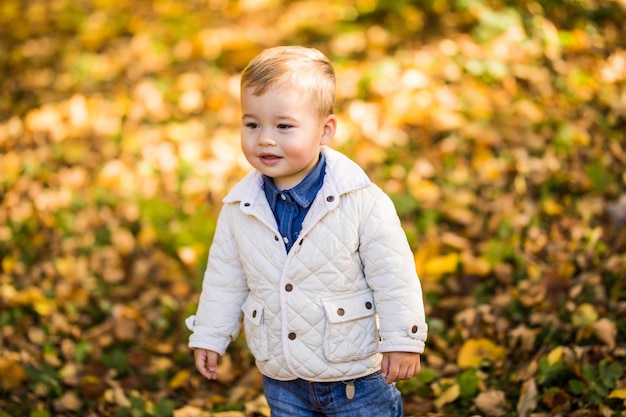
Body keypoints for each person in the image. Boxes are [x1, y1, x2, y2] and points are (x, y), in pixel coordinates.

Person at [187, 45, 428, 417]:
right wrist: (209, 335)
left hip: (355, 377)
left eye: (283, 126)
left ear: (325, 130)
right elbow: (225, 278)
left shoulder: (361, 200)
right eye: (252, 124)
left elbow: (393, 275)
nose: (265, 138)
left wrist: (403, 339)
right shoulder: (240, 207)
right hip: (282, 377)